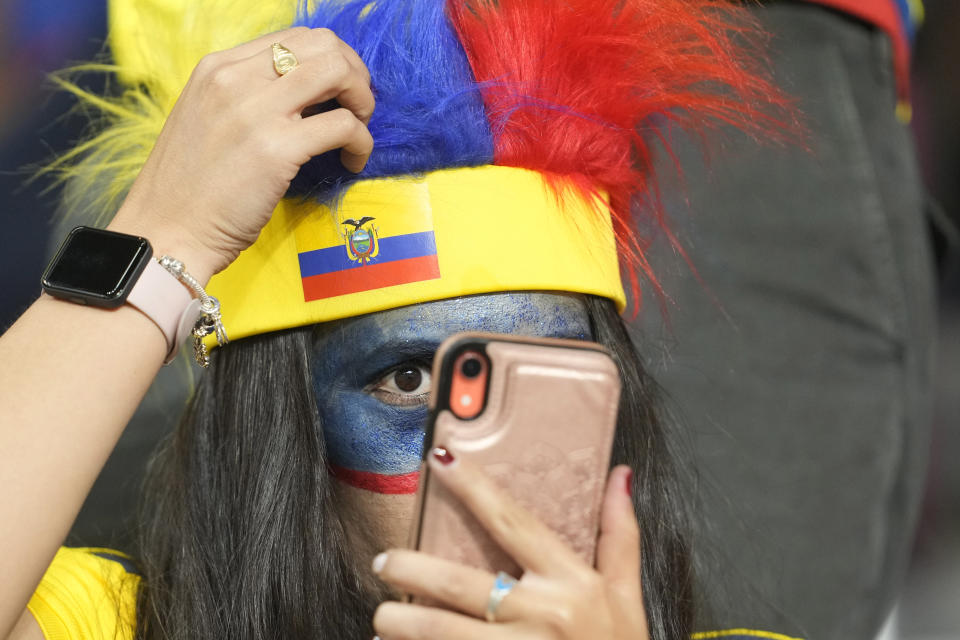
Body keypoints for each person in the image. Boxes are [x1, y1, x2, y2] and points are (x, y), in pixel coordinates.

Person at [0, 1, 791, 639]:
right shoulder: (110, 625)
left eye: (553, 382)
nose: (489, 480)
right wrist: (163, 238)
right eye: (409, 377)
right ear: (281, 433)